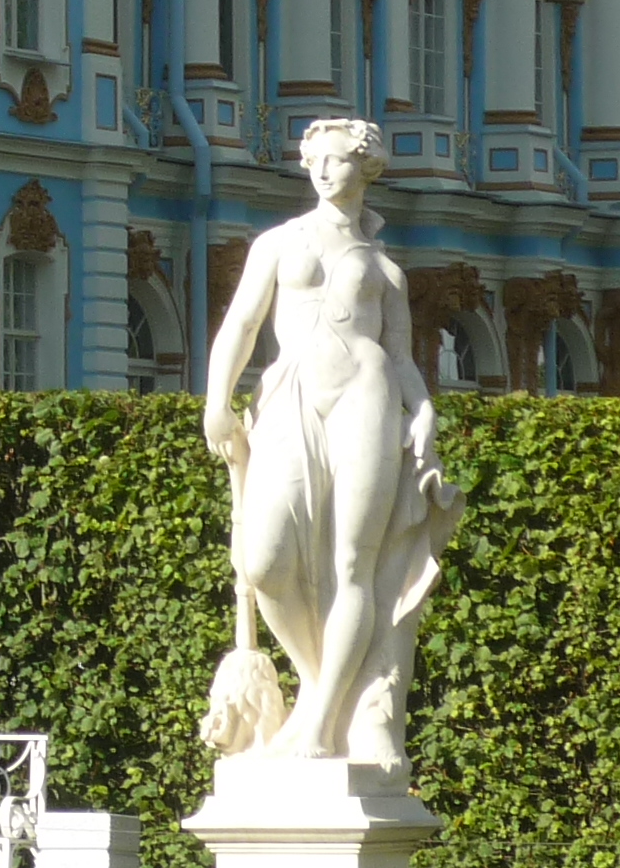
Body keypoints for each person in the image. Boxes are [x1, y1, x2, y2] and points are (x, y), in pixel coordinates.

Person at [202, 116, 461, 770]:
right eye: (315, 159)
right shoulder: (278, 244)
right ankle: (320, 683)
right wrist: (216, 401)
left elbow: (400, 358)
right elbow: (240, 325)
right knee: (260, 560)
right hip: (289, 394)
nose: (323, 170)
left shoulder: (385, 269)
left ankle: (320, 723)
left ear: (366, 168)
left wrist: (423, 412)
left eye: (339, 159)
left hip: (365, 394)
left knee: (355, 563)